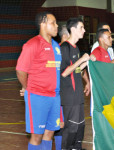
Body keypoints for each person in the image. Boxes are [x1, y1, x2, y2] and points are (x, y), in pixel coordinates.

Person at [16, 11, 61, 150]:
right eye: (53, 23)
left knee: (49, 132)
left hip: (54, 97)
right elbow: (20, 70)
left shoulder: (56, 46)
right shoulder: (32, 44)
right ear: (43, 23)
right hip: (38, 97)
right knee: (37, 136)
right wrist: (27, 87)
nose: (56, 26)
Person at [60, 17, 90, 150]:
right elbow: (65, 72)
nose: (84, 30)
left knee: (80, 126)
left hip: (77, 95)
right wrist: (81, 60)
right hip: (69, 96)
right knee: (71, 127)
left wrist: (86, 62)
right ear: (73, 29)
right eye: (81, 28)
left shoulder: (76, 48)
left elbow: (76, 70)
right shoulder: (64, 47)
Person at [54, 24, 70, 150]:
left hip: (69, 95)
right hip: (59, 95)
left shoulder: (71, 49)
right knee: (60, 125)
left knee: (67, 125)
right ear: (65, 35)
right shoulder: (58, 50)